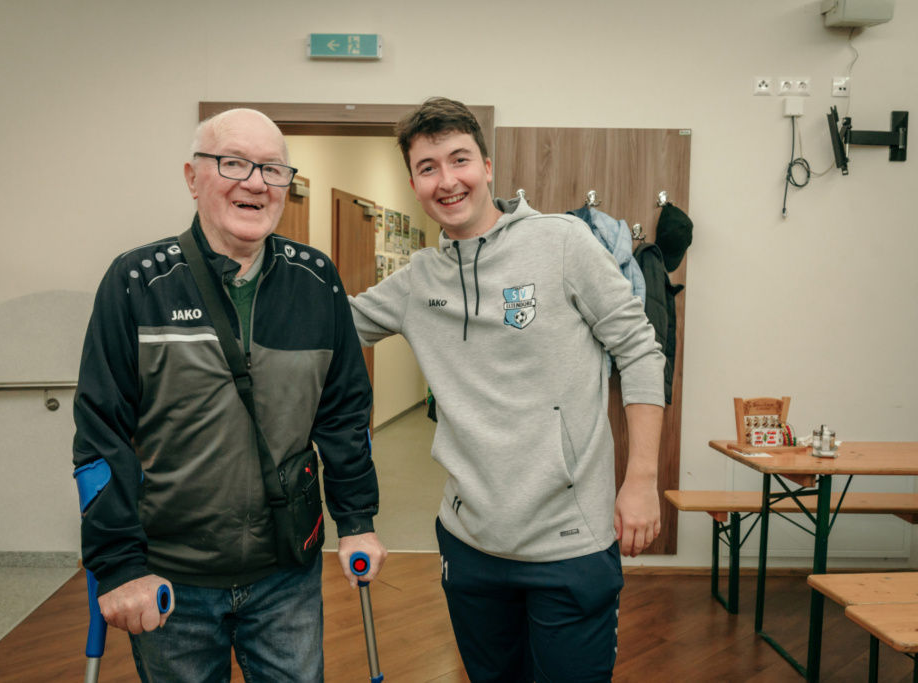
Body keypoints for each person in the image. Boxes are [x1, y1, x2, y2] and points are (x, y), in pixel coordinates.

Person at [349, 97, 665, 683]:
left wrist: (641, 478)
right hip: (470, 545)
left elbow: (640, 349)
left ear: (487, 167)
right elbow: (327, 329)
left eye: (459, 159)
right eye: (427, 168)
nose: (447, 180)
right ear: (415, 185)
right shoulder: (418, 281)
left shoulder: (563, 242)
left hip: (570, 545)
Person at [72, 108, 386, 683]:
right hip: (172, 578)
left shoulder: (316, 280)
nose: (256, 183)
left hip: (287, 571)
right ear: (193, 177)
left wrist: (357, 520)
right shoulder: (137, 282)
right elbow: (101, 434)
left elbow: (344, 415)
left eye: (272, 169)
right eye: (234, 163)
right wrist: (119, 566)